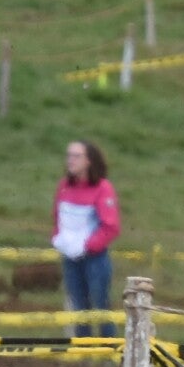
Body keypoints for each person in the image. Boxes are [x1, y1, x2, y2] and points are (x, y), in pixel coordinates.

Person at [52, 140, 122, 339]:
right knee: (78, 306)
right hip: (70, 257)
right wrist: (59, 237)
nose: (70, 160)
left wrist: (87, 245)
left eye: (76, 156)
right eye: (69, 156)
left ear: (89, 161)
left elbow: (111, 227)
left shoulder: (103, 188)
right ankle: (83, 349)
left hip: (95, 258)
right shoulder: (64, 186)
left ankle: (109, 347)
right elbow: (57, 216)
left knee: (100, 305)